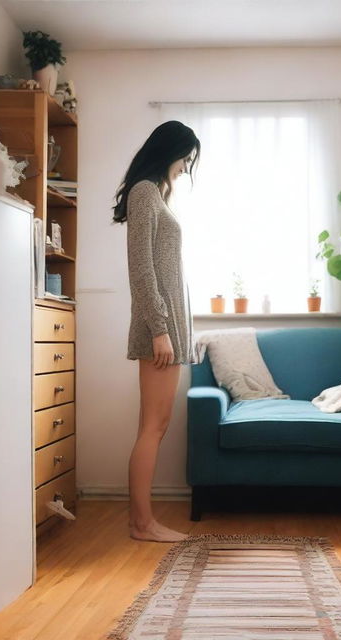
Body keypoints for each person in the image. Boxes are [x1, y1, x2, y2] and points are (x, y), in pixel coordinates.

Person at [112, 121, 201, 542]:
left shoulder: (157, 195)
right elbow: (142, 271)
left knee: (155, 424)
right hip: (158, 331)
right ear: (169, 152)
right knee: (153, 426)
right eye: (185, 159)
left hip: (168, 331)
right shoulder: (145, 192)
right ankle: (142, 523)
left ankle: (141, 522)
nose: (185, 168)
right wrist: (161, 330)